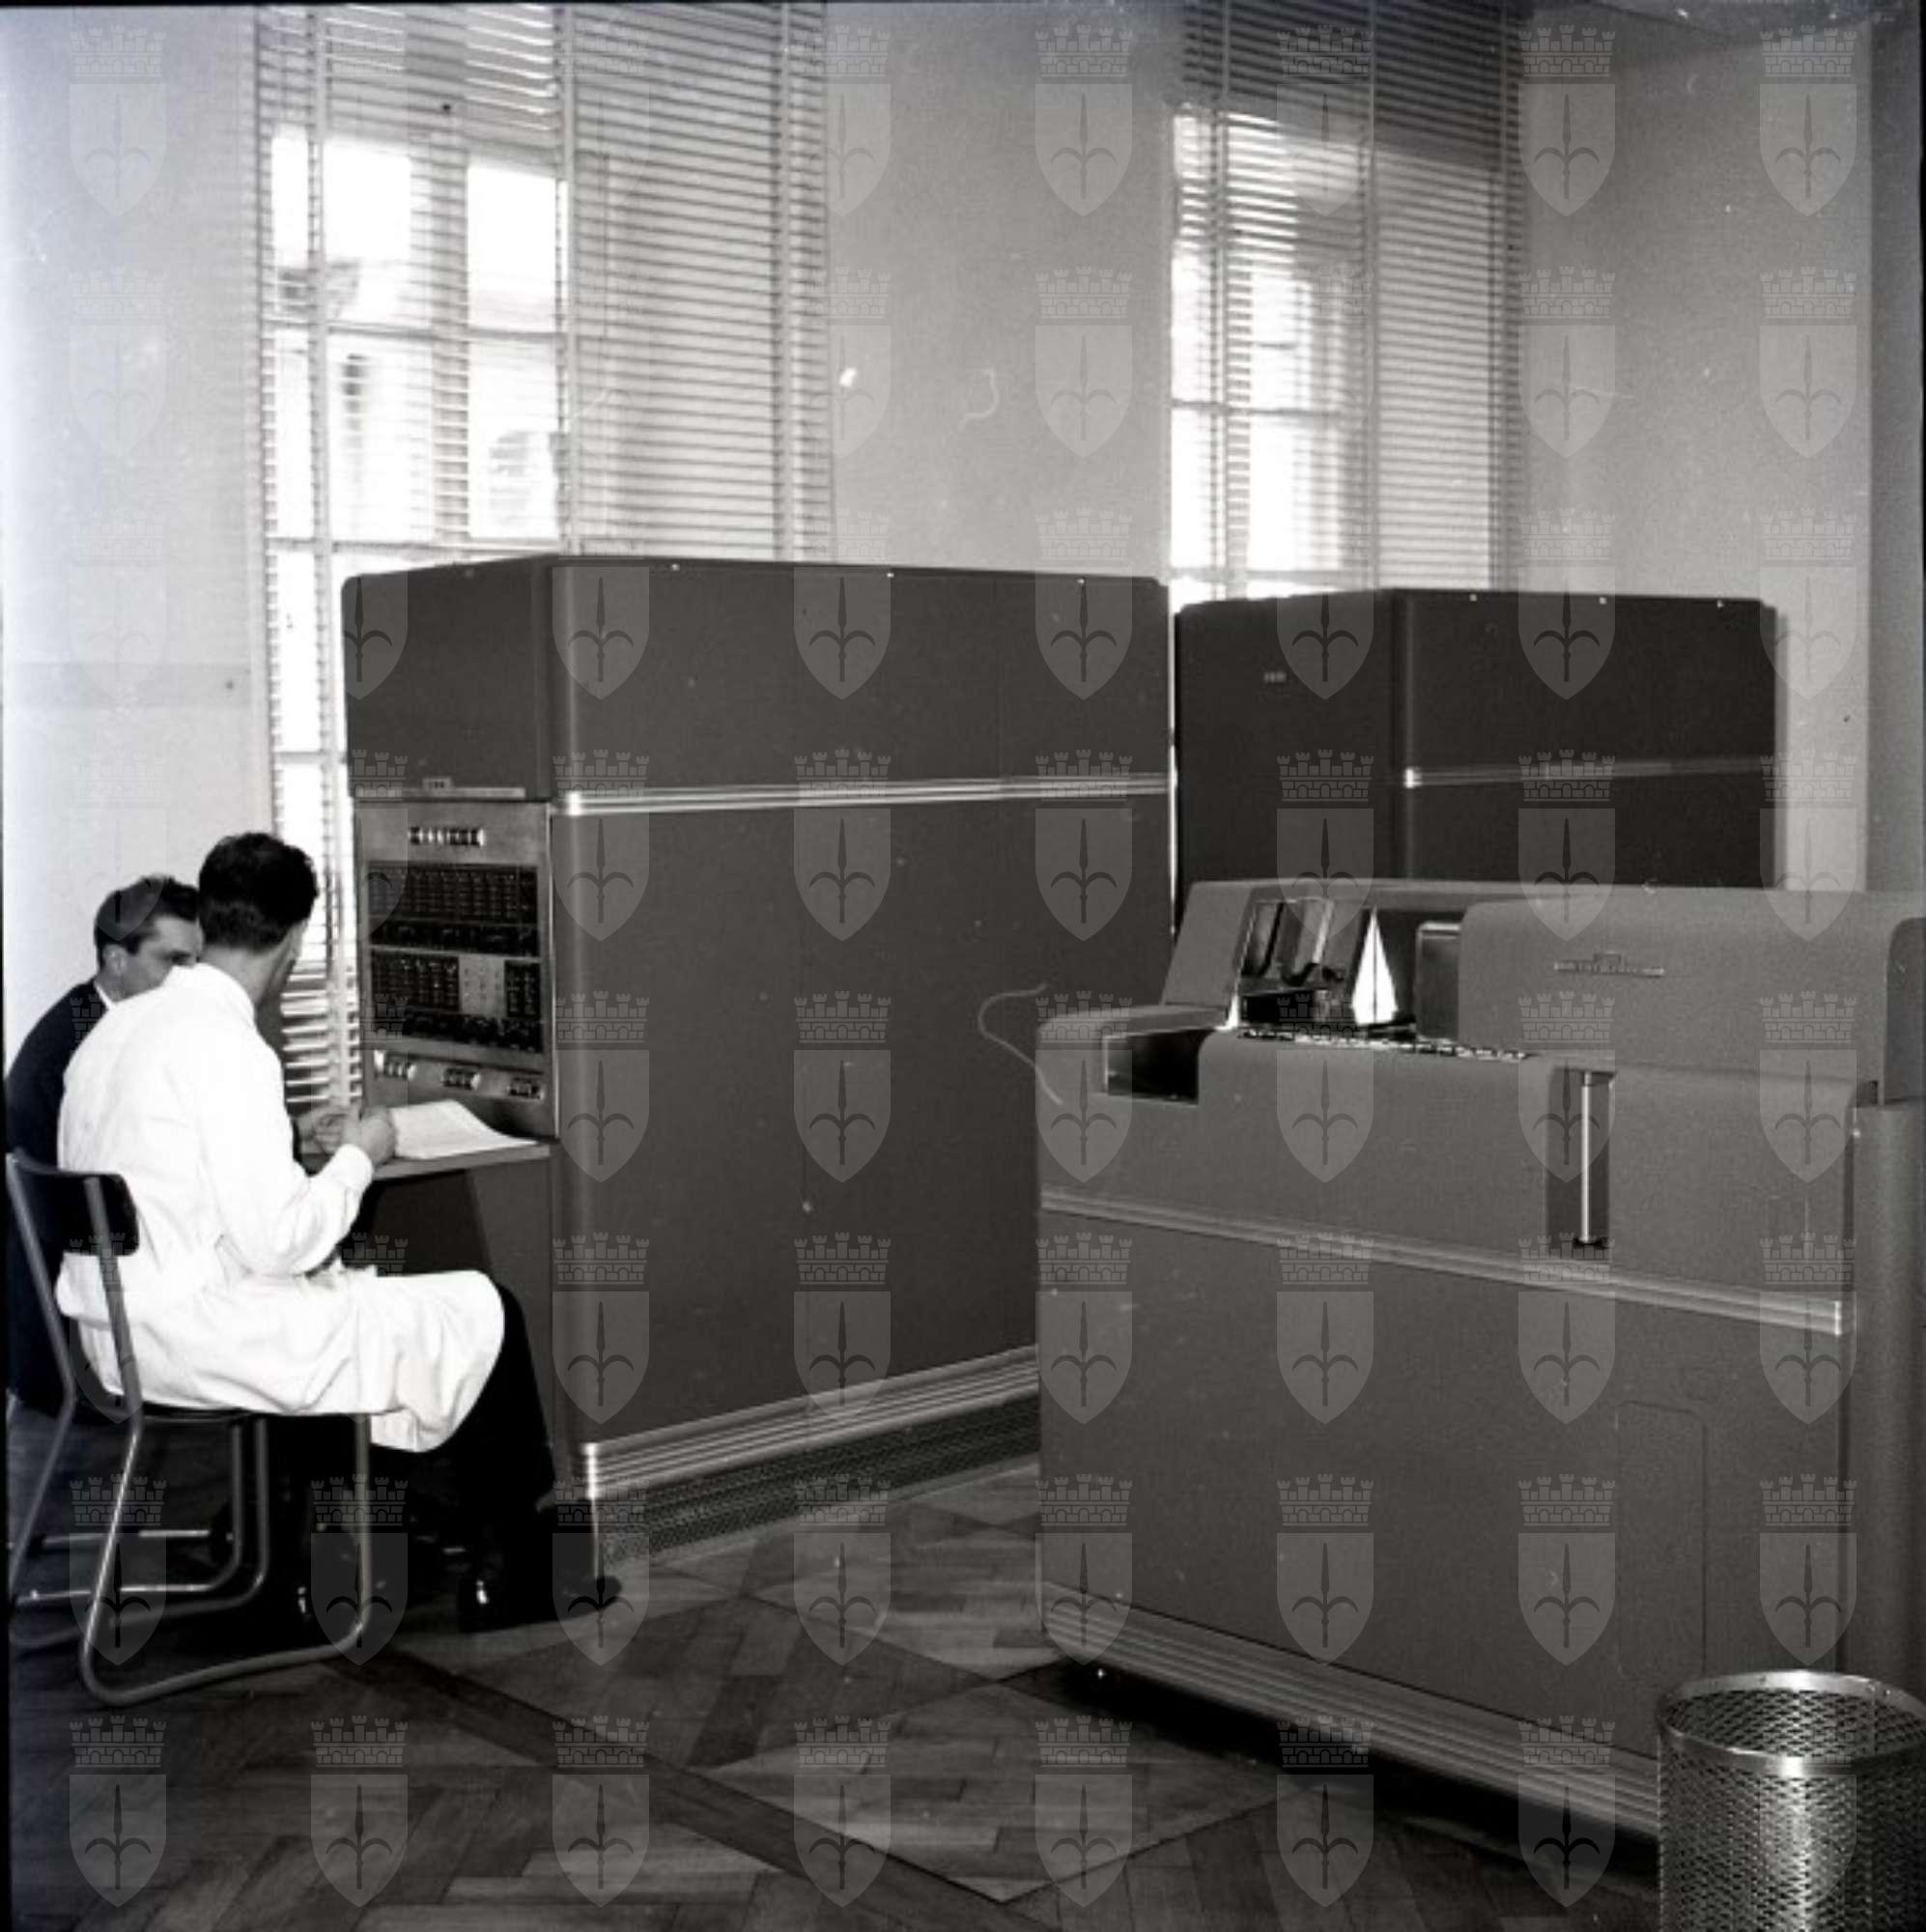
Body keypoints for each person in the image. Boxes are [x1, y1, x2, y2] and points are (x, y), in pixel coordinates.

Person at [56, 832, 572, 1631]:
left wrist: (293, 1138)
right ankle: (511, 1580)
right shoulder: (231, 1048)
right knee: (485, 1307)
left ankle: (338, 1557)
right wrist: (360, 1156)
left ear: (209, 918)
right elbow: (283, 1243)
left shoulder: (116, 1029)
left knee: (365, 1312)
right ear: (296, 940)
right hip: (196, 1339)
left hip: (112, 1334)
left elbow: (171, 1168)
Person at [6, 877, 202, 1413]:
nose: (188, 980)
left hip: (76, 1314)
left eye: (196, 962)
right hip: (84, 1341)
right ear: (117, 960)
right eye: (172, 961)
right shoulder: (83, 1051)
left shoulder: (96, 1020)